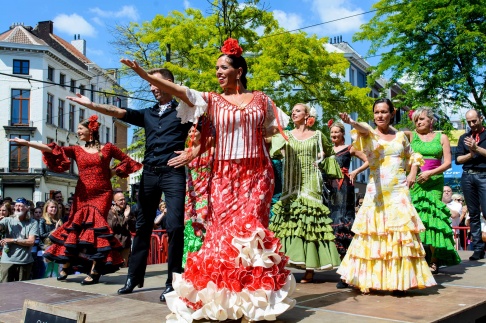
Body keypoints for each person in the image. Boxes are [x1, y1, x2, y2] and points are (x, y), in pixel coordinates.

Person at [121, 38, 295, 321]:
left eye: (223, 67)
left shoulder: (262, 100)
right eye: (216, 68)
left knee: (250, 232)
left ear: (239, 70)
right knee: (223, 235)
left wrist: (248, 141)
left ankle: (254, 302)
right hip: (224, 176)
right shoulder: (211, 100)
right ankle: (224, 300)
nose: (218, 72)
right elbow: (178, 90)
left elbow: (271, 131)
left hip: (257, 175)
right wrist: (143, 75)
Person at [67, 68, 192, 300]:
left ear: (170, 84)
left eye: (156, 83)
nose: (152, 88)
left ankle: (173, 281)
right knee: (142, 227)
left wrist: (192, 152)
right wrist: (91, 105)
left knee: (174, 226)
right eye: (150, 85)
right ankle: (134, 277)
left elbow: (208, 133)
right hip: (150, 174)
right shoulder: (148, 114)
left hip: (173, 172)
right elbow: (118, 111)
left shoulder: (185, 110)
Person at [9, 115, 142, 285]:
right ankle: (67, 263)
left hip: (102, 194)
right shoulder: (77, 150)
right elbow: (52, 149)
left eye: (80, 129)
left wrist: (113, 172)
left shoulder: (108, 148)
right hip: (82, 194)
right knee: (76, 227)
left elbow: (128, 160)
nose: (78, 132)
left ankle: (95, 269)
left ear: (91, 130)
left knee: (96, 230)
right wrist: (28, 144)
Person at [337, 99, 436, 294]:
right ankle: (365, 277)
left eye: (384, 112)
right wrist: (351, 122)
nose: (380, 115)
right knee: (373, 234)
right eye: (376, 112)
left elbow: (413, 156)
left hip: (398, 190)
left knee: (399, 234)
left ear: (392, 113)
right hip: (377, 193)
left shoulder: (401, 136)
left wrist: (412, 174)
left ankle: (399, 281)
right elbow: (363, 127)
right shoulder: (369, 134)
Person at [269, 103, 342, 284]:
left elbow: (330, 153)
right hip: (291, 184)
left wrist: (323, 161)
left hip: (311, 183)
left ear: (307, 115)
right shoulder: (285, 135)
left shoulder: (317, 135)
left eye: (298, 110)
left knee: (310, 223)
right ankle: (283, 264)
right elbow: (272, 148)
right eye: (293, 111)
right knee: (288, 223)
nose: (294, 113)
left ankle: (310, 268)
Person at [408, 107, 460, 273]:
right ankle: (418, 258)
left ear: (431, 120)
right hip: (416, 184)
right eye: (416, 120)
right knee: (417, 220)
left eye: (422, 119)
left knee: (433, 221)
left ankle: (434, 260)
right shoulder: (411, 136)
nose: (419, 122)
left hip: (434, 182)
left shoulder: (441, 137)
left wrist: (430, 173)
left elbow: (447, 163)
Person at [327, 121, 368, 257]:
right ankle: (334, 249)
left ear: (343, 133)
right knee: (332, 213)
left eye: (336, 132)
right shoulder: (328, 150)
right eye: (332, 132)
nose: (334, 134)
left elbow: (369, 160)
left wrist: (355, 172)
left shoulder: (350, 148)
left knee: (344, 213)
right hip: (330, 185)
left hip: (345, 184)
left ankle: (346, 249)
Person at [456, 109, 486, 260]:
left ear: (481, 118)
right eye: (469, 122)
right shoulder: (464, 137)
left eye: (474, 121)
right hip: (467, 176)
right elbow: (458, 160)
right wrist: (471, 154)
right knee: (473, 213)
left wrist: (476, 148)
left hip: (484, 176)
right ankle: (479, 248)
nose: (472, 124)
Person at [182, 123, 213, 268]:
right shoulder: (186, 151)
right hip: (192, 192)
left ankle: (207, 258)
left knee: (205, 220)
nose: (190, 133)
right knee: (191, 223)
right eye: (188, 131)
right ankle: (191, 259)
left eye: (194, 130)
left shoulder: (211, 149)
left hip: (207, 190)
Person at [0, 198, 39, 282]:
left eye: (20, 206)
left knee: (22, 290)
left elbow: (31, 241)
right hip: (7, 261)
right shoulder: (7, 220)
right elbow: (1, 227)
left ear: (27, 208)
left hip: (25, 261)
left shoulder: (32, 222)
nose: (17, 208)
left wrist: (13, 240)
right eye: (16, 206)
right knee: (5, 288)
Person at [107, 191, 136, 267]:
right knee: (113, 265)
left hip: (125, 242)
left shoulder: (128, 211)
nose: (123, 202)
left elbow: (133, 227)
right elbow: (112, 227)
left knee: (124, 264)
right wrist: (117, 217)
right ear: (115, 202)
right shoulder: (110, 212)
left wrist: (128, 217)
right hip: (114, 242)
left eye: (124, 199)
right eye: (120, 200)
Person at [39, 199, 62, 278]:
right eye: (51, 207)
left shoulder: (58, 220)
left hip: (57, 249)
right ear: (46, 208)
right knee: (46, 273)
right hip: (45, 249)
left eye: (55, 207)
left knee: (55, 271)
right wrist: (55, 231)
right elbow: (42, 235)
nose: (54, 209)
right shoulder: (42, 220)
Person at [30, 206, 45, 279]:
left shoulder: (43, 222)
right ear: (33, 214)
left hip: (40, 248)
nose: (38, 214)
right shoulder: (31, 222)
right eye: (36, 212)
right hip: (32, 248)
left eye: (40, 212)